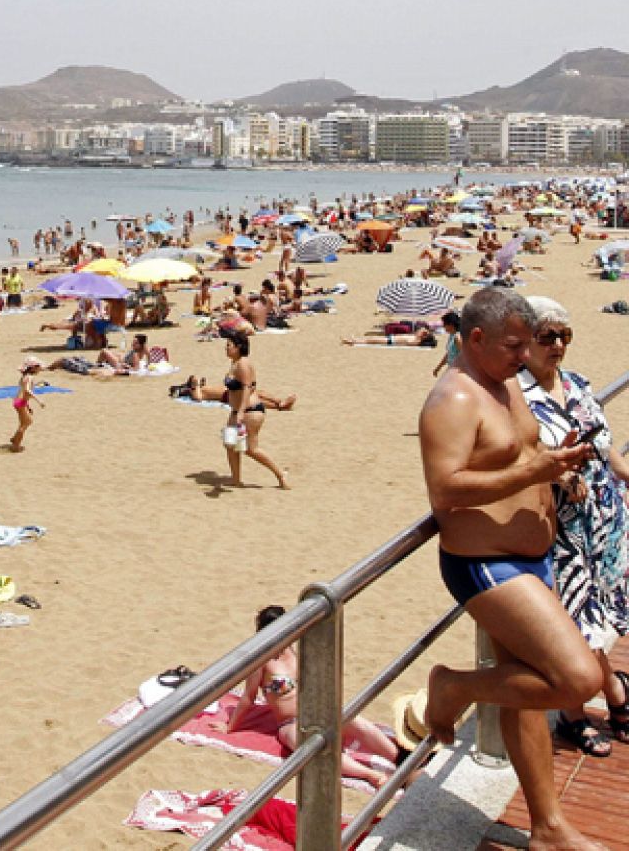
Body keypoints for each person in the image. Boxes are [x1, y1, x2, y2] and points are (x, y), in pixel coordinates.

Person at [419, 287, 603, 851]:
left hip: (530, 554)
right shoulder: (453, 399)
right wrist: (529, 475)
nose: (524, 356)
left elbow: (520, 456)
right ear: (476, 339)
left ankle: (548, 828)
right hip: (486, 563)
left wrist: (555, 463)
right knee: (578, 679)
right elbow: (445, 490)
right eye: (513, 346)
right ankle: (452, 686)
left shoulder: (501, 385)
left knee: (530, 694)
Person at [516, 297, 629, 755]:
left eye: (564, 336)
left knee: (599, 613)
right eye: (547, 336)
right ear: (525, 342)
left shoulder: (576, 385)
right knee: (577, 619)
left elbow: (606, 448)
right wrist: (556, 472)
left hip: (604, 520)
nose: (558, 345)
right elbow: (515, 457)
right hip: (560, 526)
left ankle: (609, 693)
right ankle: (578, 711)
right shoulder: (515, 398)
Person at [218, 605, 402, 789]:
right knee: (310, 746)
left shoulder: (293, 650)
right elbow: (248, 697)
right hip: (290, 723)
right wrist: (229, 727)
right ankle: (370, 775)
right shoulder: (260, 660)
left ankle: (400, 759)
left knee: (356, 721)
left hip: (316, 710)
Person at [222, 333, 289, 489]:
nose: (226, 347)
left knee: (251, 449)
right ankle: (236, 479)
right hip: (238, 411)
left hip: (248, 411)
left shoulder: (243, 364)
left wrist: (240, 412)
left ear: (239, 347)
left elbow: (246, 388)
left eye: (229, 345)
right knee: (230, 443)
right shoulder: (235, 363)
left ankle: (280, 474)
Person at [8, 357, 45, 452]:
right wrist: (39, 400)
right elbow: (27, 390)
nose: (39, 369)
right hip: (20, 402)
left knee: (25, 422)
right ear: (33, 368)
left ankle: (14, 438)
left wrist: (28, 406)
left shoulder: (25, 377)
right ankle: (15, 445)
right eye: (38, 367)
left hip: (19, 401)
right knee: (26, 423)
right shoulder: (29, 378)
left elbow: (23, 393)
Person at [433, 311, 463, 377]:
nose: (443, 327)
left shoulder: (457, 338)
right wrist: (438, 368)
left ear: (451, 325)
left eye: (444, 324)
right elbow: (448, 354)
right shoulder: (451, 336)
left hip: (457, 371)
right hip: (451, 369)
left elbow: (464, 357)